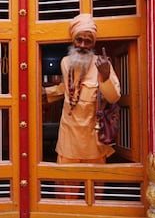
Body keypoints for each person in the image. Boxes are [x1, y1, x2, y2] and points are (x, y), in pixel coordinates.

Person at [43, 13, 121, 198]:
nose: (84, 45)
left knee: (93, 187)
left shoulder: (103, 64)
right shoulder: (65, 62)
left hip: (93, 138)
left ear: (93, 43)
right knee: (66, 185)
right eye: (80, 40)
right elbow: (67, 88)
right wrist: (45, 94)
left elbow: (114, 97)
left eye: (88, 41)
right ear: (73, 40)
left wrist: (105, 75)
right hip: (69, 135)